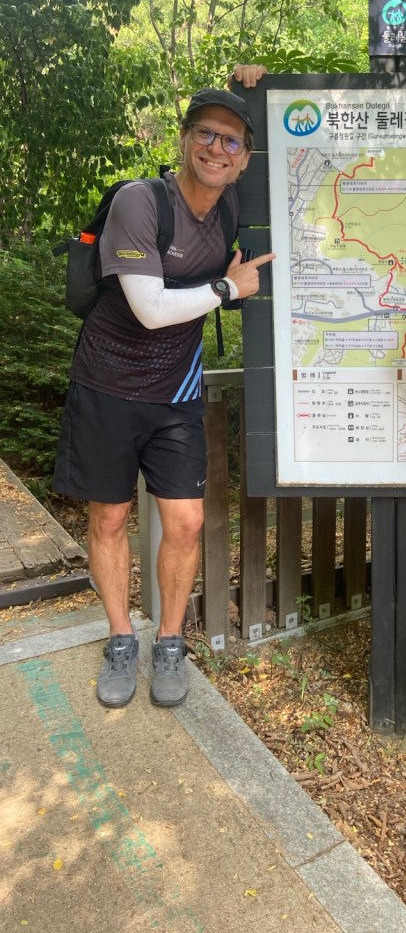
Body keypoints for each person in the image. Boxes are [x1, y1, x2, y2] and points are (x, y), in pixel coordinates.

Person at [53, 64, 273, 710]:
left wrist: (257, 86)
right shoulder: (140, 202)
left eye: (231, 141)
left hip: (175, 392)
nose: (216, 148)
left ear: (244, 160)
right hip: (106, 383)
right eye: (205, 133)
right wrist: (228, 288)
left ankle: (170, 640)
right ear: (183, 139)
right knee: (109, 516)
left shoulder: (231, 203)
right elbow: (150, 309)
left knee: (186, 520)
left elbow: (297, 145)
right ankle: (122, 636)